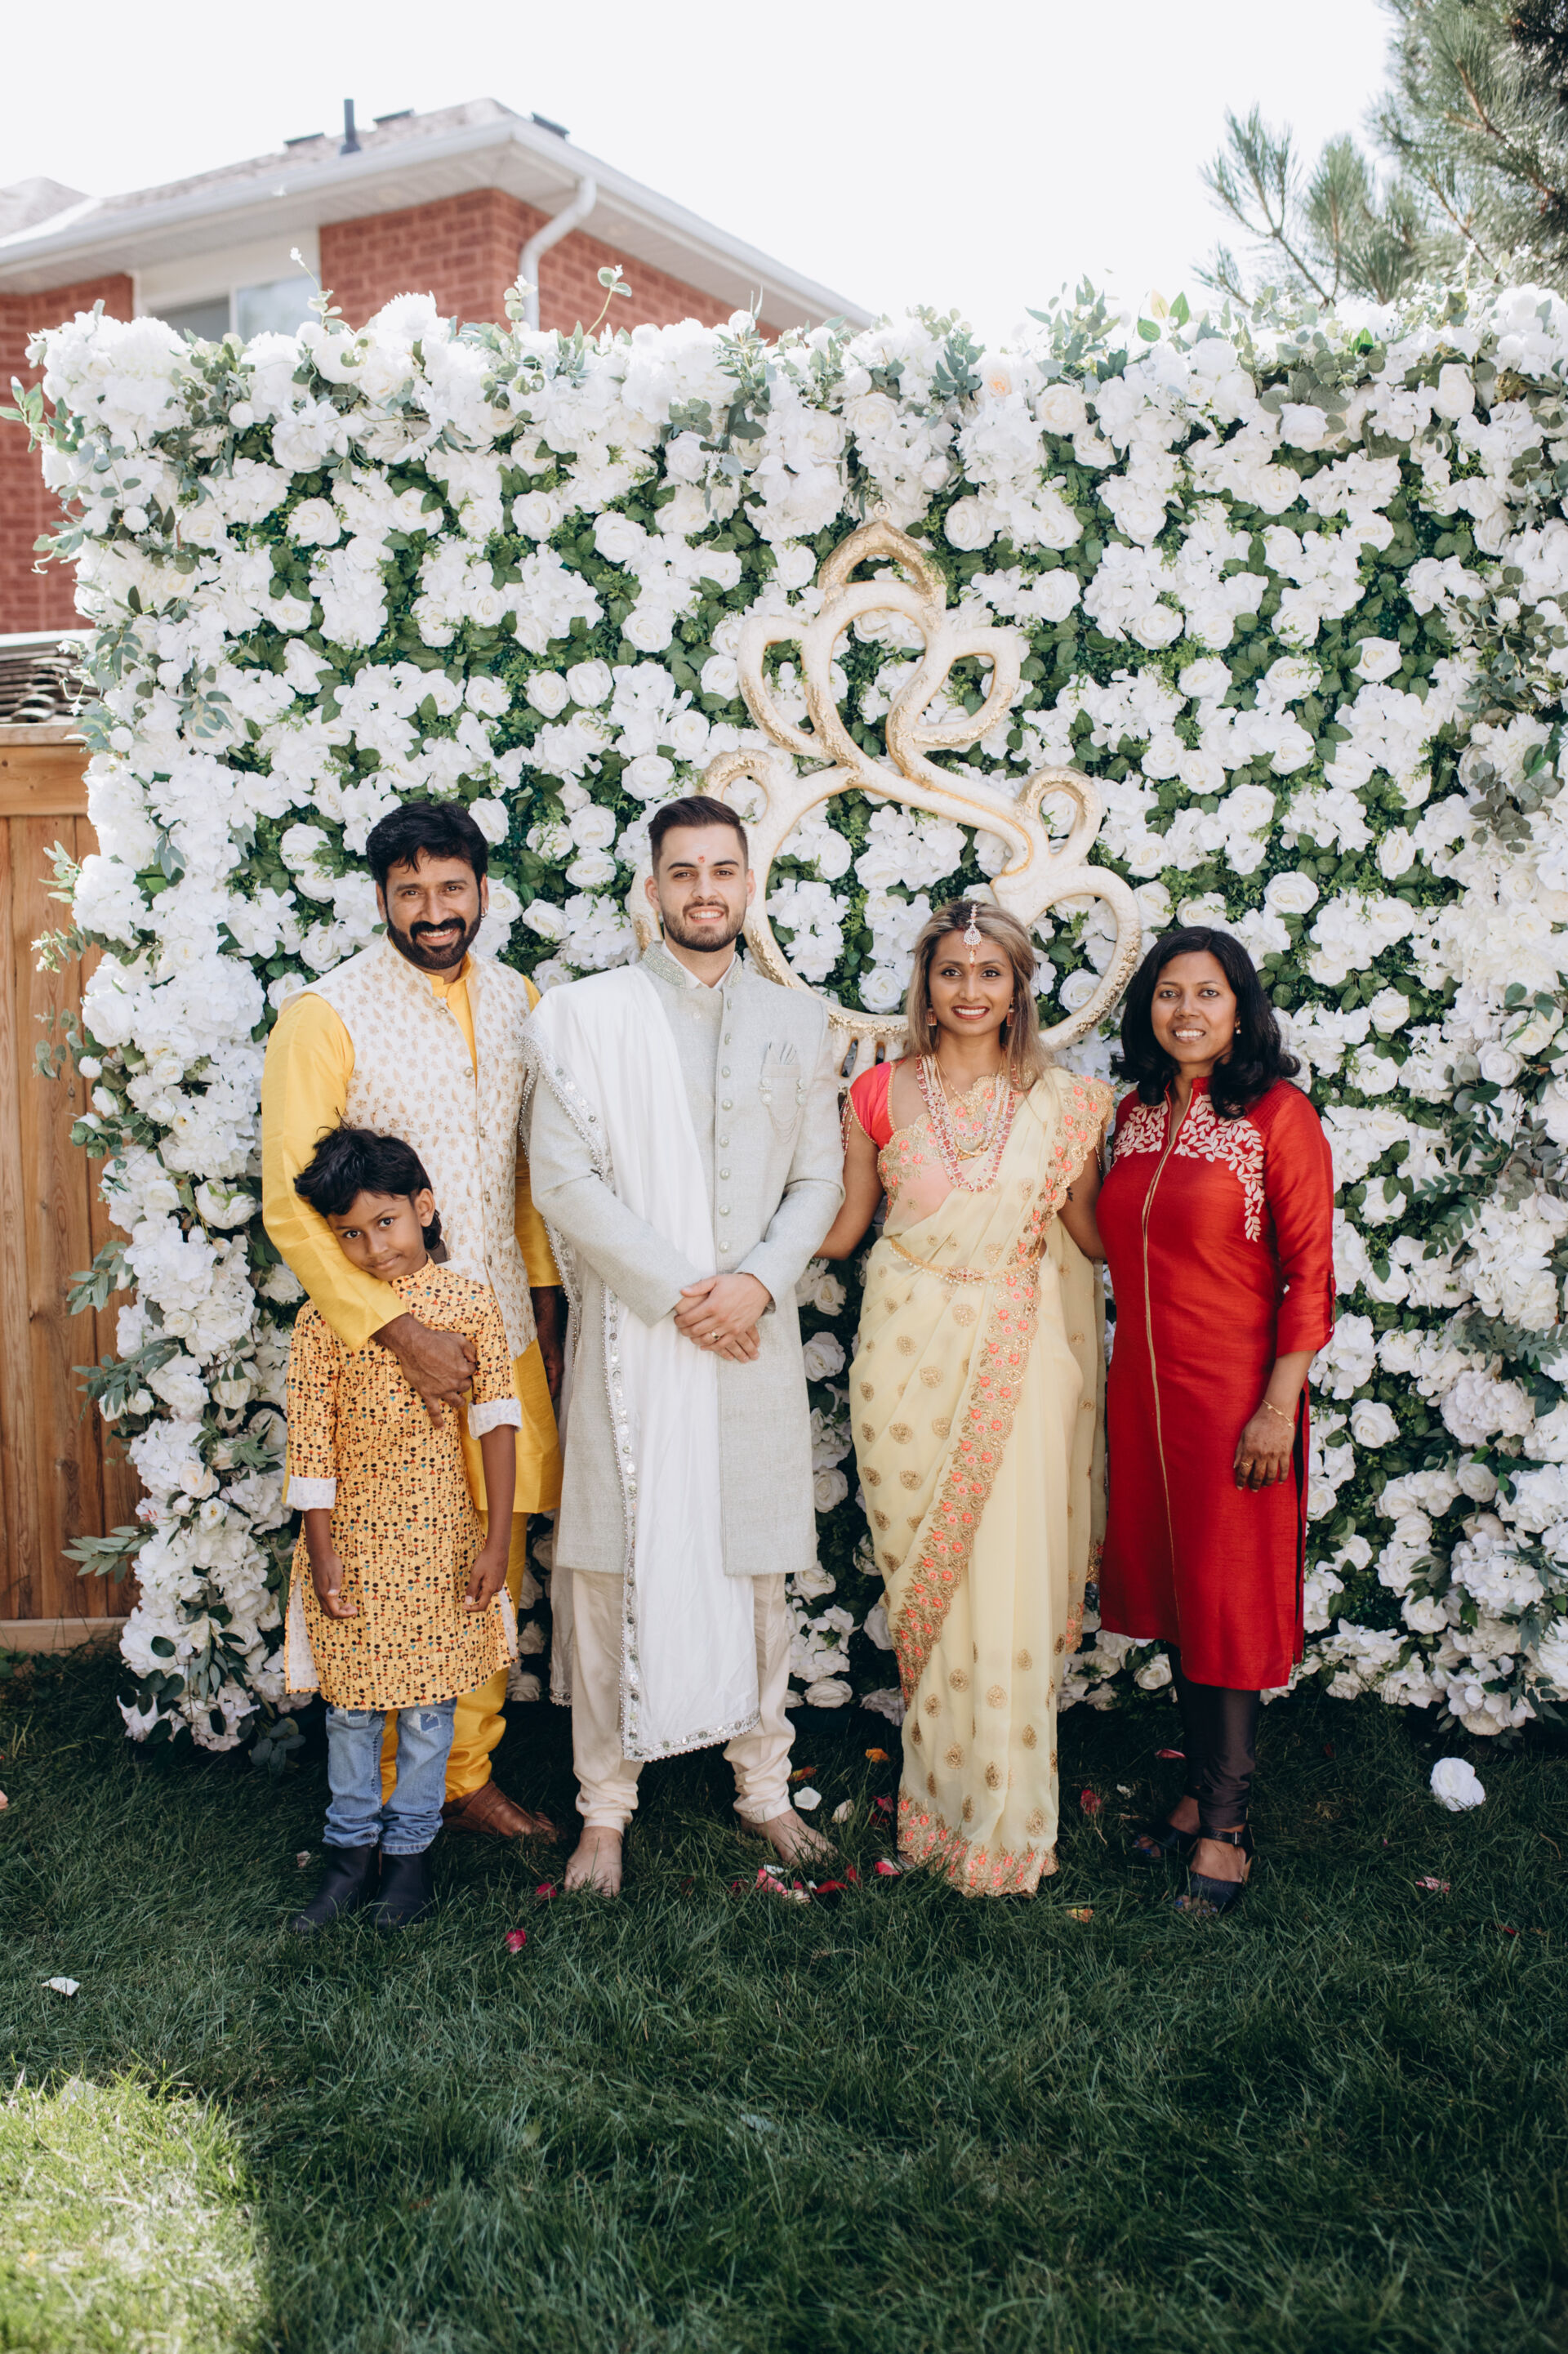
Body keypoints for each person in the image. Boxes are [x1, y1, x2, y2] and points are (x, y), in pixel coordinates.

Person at [521, 794, 844, 1897]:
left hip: (751, 1333)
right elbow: (563, 1180)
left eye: (722, 870)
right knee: (610, 1567)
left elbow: (819, 1178)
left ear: (749, 884)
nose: (705, 890)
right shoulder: (590, 1016)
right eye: (683, 871)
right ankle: (604, 1808)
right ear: (653, 887)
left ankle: (764, 1787)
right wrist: (678, 1294)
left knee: (754, 1561)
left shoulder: (798, 1021)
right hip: (633, 1339)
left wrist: (751, 1285)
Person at [261, 799, 562, 1844]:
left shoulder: (520, 999)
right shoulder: (325, 1015)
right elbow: (293, 1205)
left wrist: (547, 1313)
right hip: (386, 1350)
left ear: (481, 888)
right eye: (410, 891)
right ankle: (388, 1783)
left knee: (489, 1554)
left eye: (451, 887)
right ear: (382, 897)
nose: (433, 910)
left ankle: (462, 1773)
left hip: (502, 1331)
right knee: (391, 1560)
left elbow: (520, 1172)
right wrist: (400, 1331)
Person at [819, 899, 1113, 1897]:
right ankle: (939, 1804)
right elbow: (845, 1228)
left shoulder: (1066, 1105)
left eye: (991, 973)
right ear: (927, 984)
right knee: (930, 1585)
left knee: (1012, 1577)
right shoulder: (876, 1091)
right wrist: (725, 1253)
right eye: (952, 971)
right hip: (902, 1360)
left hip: (1020, 1359)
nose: (971, 990)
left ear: (1018, 987)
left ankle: (1004, 1822)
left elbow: (1091, 1236)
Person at [1094, 928, 1334, 1918]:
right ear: (1146, 1008)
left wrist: (1279, 1404)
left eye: (1208, 992)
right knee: (1183, 1596)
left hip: (1237, 1400)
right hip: (1145, 1398)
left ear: (1241, 1008)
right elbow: (1100, 1238)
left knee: (1227, 1604)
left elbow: (1309, 1273)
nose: (1186, 1010)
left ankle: (1227, 1829)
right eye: (1168, 992)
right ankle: (1199, 1788)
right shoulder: (1135, 1114)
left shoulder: (1278, 1115)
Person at [283, 1128, 520, 1931]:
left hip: (439, 1542)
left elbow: (497, 1423)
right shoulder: (324, 1320)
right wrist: (321, 1549)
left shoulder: (469, 1304)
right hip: (351, 1544)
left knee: (427, 1709)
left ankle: (410, 1853)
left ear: (423, 1206)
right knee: (351, 1710)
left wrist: (495, 1541)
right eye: (349, 1234)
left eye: (385, 1222)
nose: (373, 1247)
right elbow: (311, 1444)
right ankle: (350, 1854)